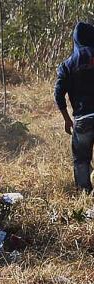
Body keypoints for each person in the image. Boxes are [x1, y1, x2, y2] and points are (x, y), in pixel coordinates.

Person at [55, 22, 94, 194]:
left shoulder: (68, 65)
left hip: (83, 118)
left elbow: (58, 94)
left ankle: (85, 193)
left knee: (81, 160)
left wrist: (67, 120)